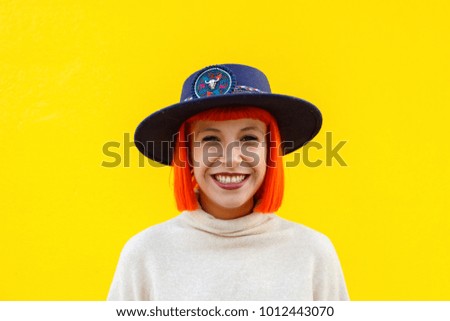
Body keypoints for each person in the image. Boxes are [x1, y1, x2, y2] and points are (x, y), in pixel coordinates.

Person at [107, 64, 349, 300]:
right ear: (188, 152)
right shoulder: (145, 254)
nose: (231, 159)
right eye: (211, 139)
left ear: (269, 150)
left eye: (248, 139)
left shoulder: (313, 253)